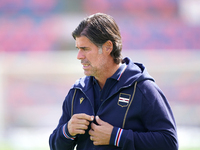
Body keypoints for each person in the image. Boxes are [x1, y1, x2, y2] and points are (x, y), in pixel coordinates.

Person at [49, 13, 178, 150]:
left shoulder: (143, 88)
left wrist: (117, 136)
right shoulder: (77, 91)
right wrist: (67, 131)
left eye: (85, 49)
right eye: (78, 49)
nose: (79, 56)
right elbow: (55, 146)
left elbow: (169, 143)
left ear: (108, 47)